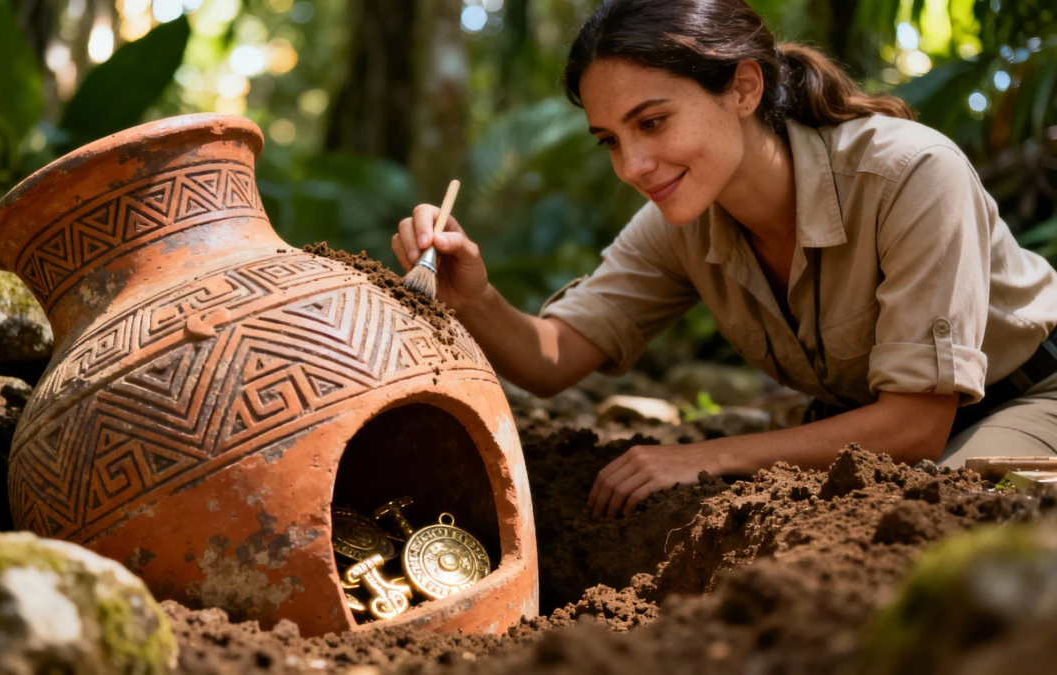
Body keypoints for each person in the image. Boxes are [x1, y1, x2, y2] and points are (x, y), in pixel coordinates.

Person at [391, 0, 1057, 519]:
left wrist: (702, 456)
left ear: (743, 88)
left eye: (651, 123)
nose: (633, 166)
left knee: (928, 528)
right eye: (610, 141)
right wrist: (473, 295)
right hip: (874, 435)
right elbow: (552, 358)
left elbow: (916, 422)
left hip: (1027, 395)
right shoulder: (681, 218)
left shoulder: (910, 174)